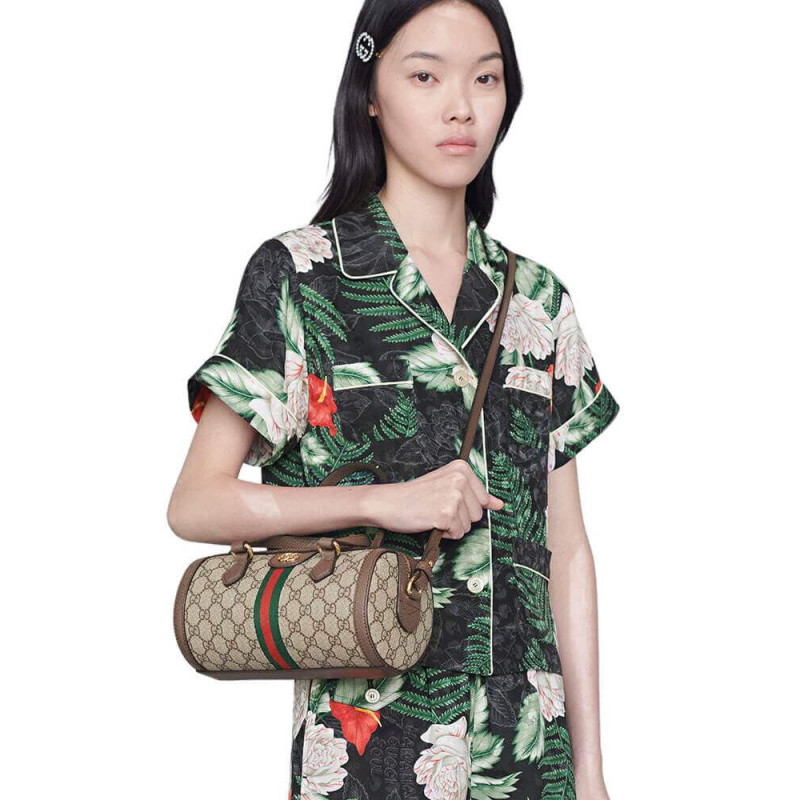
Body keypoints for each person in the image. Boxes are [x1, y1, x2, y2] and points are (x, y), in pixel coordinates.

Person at [168, 1, 621, 798]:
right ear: (370, 94)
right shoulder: (301, 276)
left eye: (486, 79)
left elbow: (568, 547)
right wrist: (385, 501)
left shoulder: (537, 301)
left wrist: (589, 771)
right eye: (425, 77)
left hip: (530, 745)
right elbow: (196, 504)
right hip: (368, 745)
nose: (462, 107)